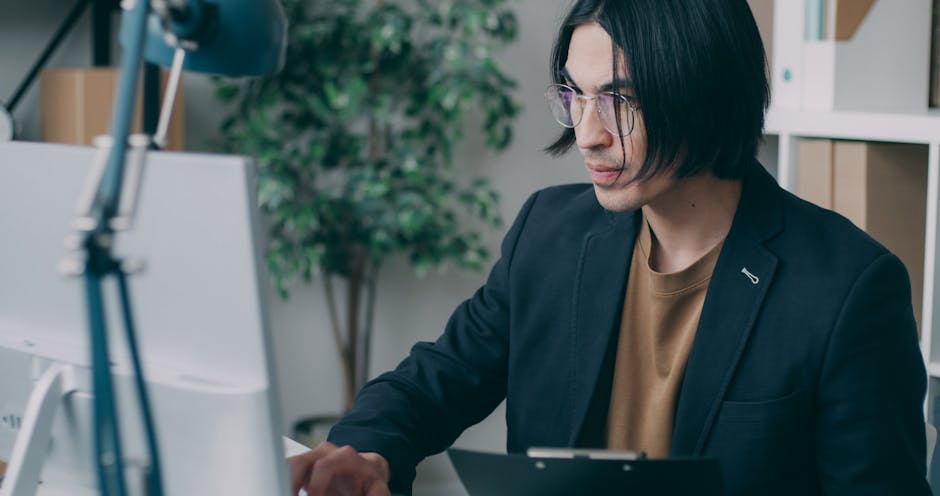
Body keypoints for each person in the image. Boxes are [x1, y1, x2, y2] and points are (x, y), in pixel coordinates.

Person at [288, 0, 931, 494]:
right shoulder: (549, 234)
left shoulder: (848, 289)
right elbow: (438, 378)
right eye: (575, 96)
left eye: (619, 98)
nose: (589, 135)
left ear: (703, 92)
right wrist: (368, 452)